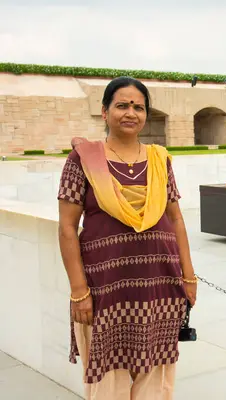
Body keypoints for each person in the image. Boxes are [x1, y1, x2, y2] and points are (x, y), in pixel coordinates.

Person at [57, 76, 197, 400]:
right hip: (105, 290)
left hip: (160, 287)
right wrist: (79, 292)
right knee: (108, 383)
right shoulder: (83, 160)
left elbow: (175, 218)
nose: (130, 112)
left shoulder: (160, 161)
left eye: (138, 106)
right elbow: (67, 227)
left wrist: (189, 276)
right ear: (105, 112)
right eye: (122, 105)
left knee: (156, 379)